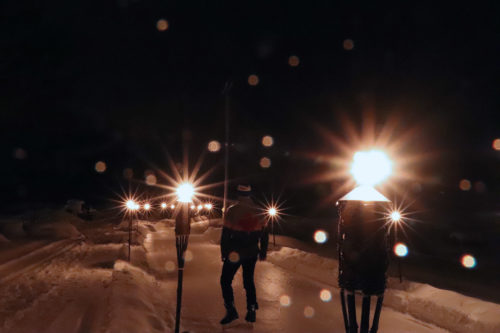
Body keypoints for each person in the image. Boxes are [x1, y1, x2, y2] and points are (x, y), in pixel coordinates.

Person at [220, 184, 268, 325]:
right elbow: (265, 235)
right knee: (248, 280)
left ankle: (231, 310)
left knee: (225, 280)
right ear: (250, 194)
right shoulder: (259, 211)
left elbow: (225, 234)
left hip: (235, 253)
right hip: (252, 252)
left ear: (238, 194)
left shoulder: (232, 211)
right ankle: (251, 309)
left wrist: (224, 252)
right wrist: (263, 251)